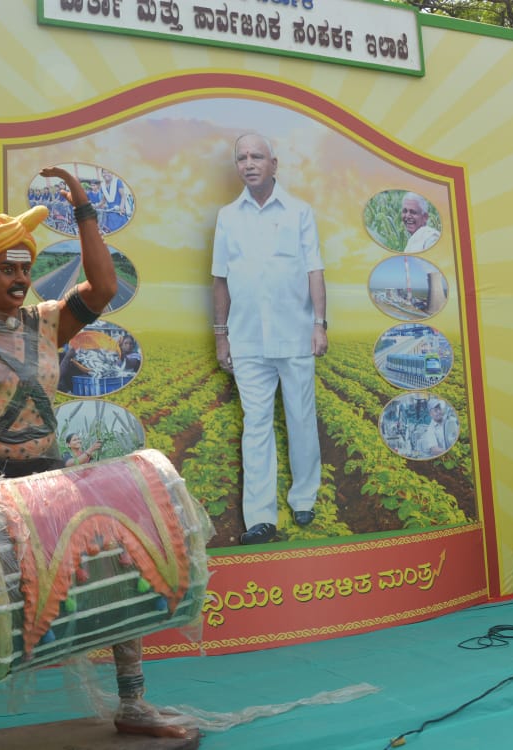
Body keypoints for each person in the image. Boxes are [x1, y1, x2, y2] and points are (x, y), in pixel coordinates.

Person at [0, 165, 188, 749]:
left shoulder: (44, 323)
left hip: (47, 481)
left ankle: (133, 703)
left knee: (115, 569)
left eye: (25, 269)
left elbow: (103, 288)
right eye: (7, 268)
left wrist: (84, 210)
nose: (20, 279)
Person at [211, 133, 327, 545]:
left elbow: (314, 270)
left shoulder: (299, 212)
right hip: (247, 340)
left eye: (257, 156)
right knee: (255, 425)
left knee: (301, 419)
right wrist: (221, 336)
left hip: (295, 336)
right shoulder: (228, 216)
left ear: (274, 164)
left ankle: (304, 498)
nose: (249, 163)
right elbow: (220, 279)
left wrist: (319, 324)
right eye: (242, 157)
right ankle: (261, 518)